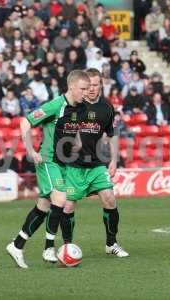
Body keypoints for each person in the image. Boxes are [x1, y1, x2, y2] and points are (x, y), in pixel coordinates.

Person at [6, 70, 89, 268]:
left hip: (63, 163)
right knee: (60, 199)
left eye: (88, 89)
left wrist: (77, 144)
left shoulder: (81, 108)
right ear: (71, 87)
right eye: (82, 89)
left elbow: (74, 129)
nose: (85, 93)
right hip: (48, 160)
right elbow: (25, 122)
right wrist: (30, 150)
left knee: (43, 206)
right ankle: (49, 247)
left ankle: (17, 245)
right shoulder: (56, 105)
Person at [60, 68, 129, 258]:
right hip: (73, 165)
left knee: (110, 199)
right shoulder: (74, 105)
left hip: (96, 164)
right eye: (88, 85)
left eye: (95, 84)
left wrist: (114, 160)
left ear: (101, 85)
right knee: (68, 206)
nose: (91, 88)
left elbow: (112, 135)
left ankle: (111, 243)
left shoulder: (106, 108)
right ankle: (67, 246)